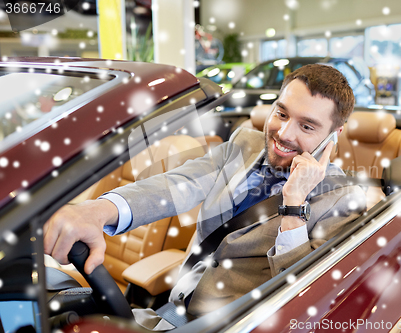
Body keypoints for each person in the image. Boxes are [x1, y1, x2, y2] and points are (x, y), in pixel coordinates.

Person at [44, 64, 366, 330]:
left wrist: (294, 203)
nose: (284, 134)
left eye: (307, 127)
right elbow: (177, 184)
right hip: (168, 313)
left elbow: (302, 295)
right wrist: (98, 210)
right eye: (281, 114)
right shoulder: (244, 142)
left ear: (332, 137)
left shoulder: (342, 201)